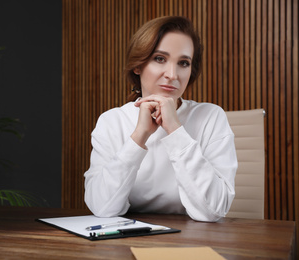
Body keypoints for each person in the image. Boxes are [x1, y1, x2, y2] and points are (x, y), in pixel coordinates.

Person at [84, 16, 237, 222]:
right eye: (159, 59)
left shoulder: (210, 117)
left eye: (183, 63)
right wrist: (139, 136)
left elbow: (214, 211)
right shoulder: (112, 121)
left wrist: (175, 129)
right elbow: (102, 207)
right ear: (137, 66)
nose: (173, 74)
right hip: (128, 240)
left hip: (193, 241)